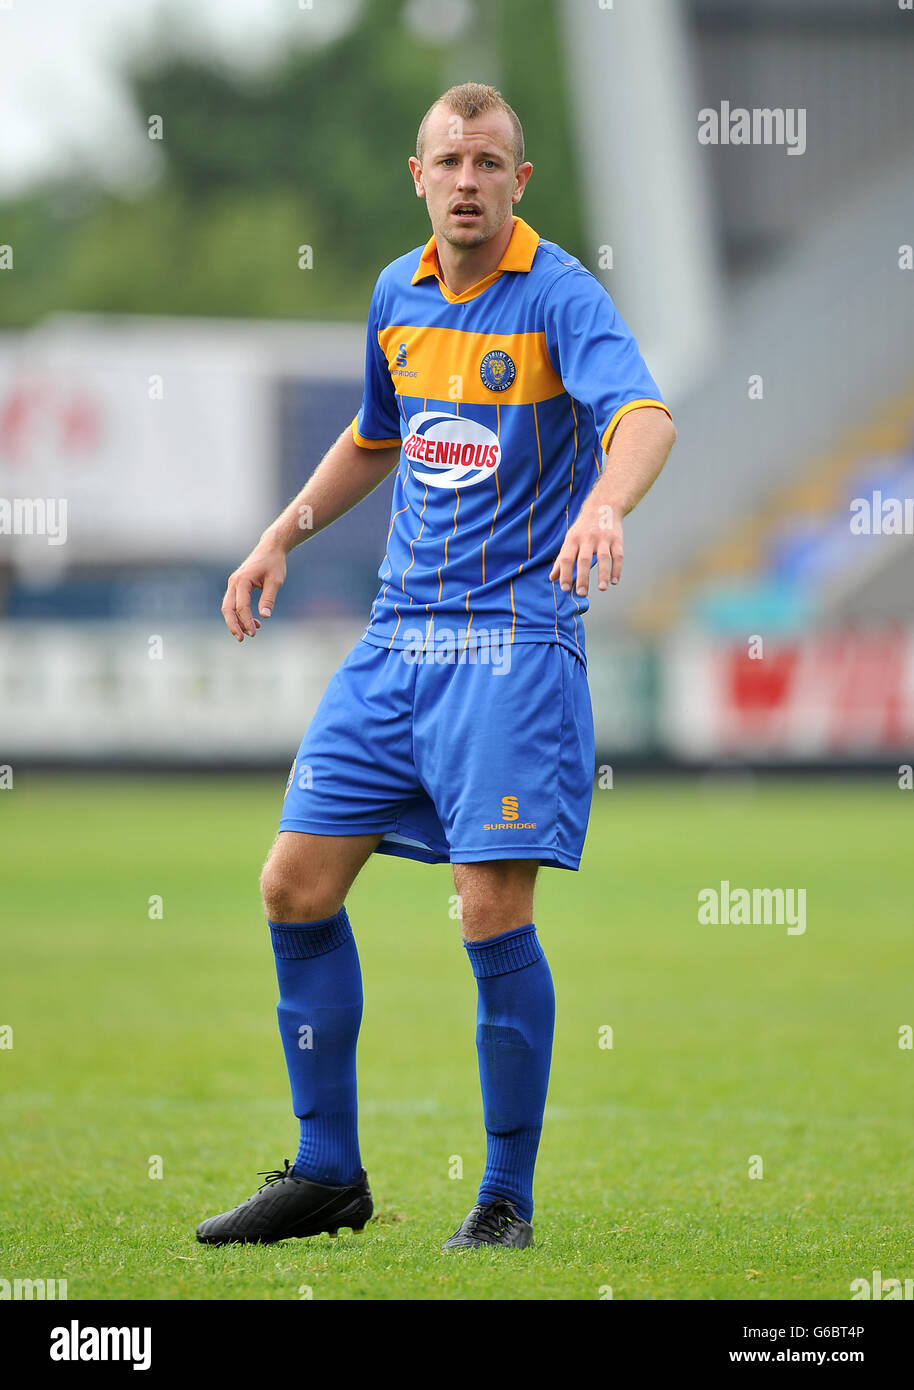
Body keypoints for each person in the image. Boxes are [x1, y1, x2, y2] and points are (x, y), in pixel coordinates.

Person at [197, 82, 675, 1251]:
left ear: (519, 180)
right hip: (396, 640)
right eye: (448, 160)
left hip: (509, 647)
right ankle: (326, 1174)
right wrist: (279, 534)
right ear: (419, 177)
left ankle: (503, 1199)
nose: (467, 179)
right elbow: (376, 435)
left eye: (488, 162)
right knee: (291, 886)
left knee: (485, 909)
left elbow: (645, 417)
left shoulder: (558, 294)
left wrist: (604, 505)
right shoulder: (394, 293)